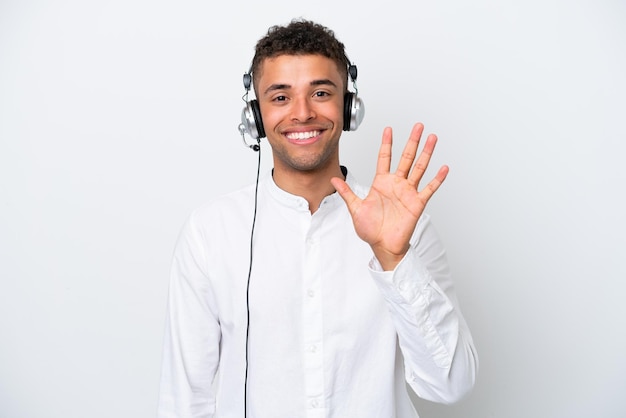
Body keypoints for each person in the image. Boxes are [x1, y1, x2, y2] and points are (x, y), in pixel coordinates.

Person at [158, 18, 478, 418]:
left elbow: (450, 386)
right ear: (255, 117)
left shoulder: (406, 229)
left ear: (348, 107)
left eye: (321, 92)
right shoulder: (210, 232)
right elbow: (186, 400)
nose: (303, 113)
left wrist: (394, 259)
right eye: (280, 98)